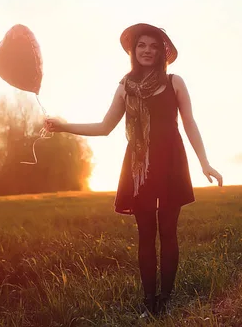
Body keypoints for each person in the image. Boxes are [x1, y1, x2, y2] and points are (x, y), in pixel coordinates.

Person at [44, 23, 223, 318]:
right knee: (145, 234)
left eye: (154, 46)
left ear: (163, 51)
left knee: (168, 232)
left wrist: (205, 162)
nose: (147, 51)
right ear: (133, 50)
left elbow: (189, 122)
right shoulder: (124, 88)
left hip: (171, 162)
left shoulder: (175, 82)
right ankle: (149, 301)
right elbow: (104, 127)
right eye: (141, 45)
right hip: (139, 165)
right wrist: (64, 127)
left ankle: (165, 300)